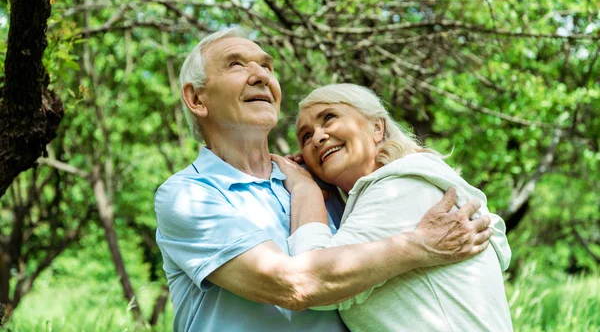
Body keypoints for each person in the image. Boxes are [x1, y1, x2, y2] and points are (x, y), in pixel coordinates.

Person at [154, 28, 495, 332]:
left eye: (267, 66)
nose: (261, 76)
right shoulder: (189, 196)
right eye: (236, 64)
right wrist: (419, 245)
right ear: (197, 99)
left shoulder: (330, 189)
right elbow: (294, 285)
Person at [272, 83, 512, 331]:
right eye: (306, 136)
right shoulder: (398, 186)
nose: (318, 138)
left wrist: (305, 189)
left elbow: (312, 280)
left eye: (329, 118)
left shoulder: (402, 187)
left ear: (377, 127)